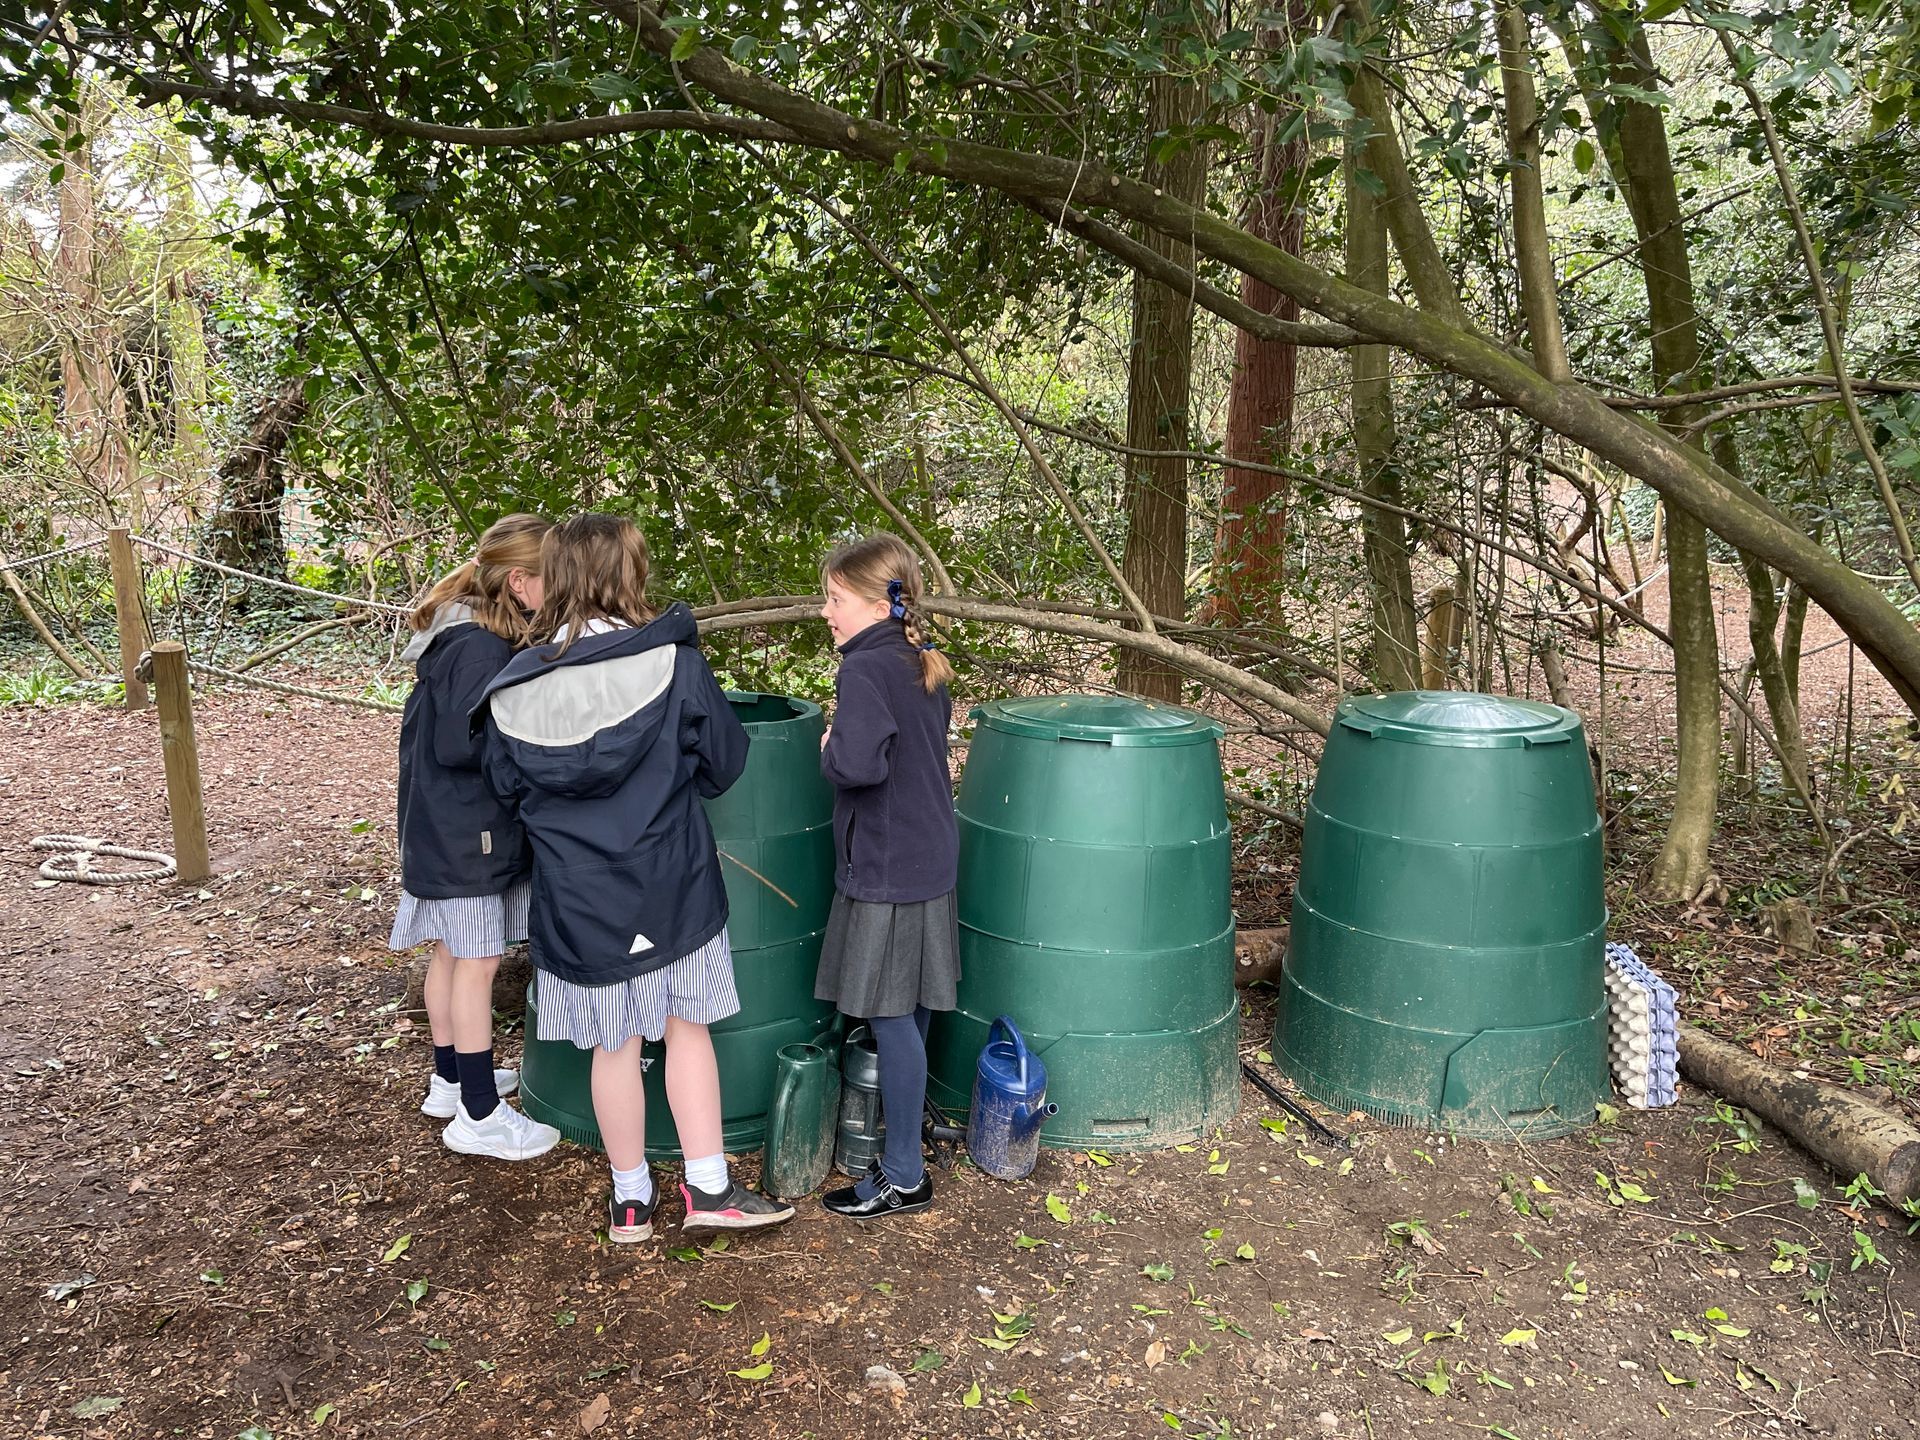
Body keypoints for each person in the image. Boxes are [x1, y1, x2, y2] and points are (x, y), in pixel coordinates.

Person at [478, 513, 794, 1241]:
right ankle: (708, 1188)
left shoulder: (511, 690)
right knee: (688, 1033)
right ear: (627, 576)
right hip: (672, 884)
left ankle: (629, 1202)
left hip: (576, 900)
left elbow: (506, 790)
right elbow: (724, 762)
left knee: (610, 1048)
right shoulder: (673, 664)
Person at [391, 513, 562, 1162]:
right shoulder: (479, 647)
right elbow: (460, 745)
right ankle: (481, 1116)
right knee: (478, 962)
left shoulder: (463, 628)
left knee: (452, 954)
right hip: (468, 831)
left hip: (441, 826)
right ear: (519, 581)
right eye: (555, 580)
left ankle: (452, 1078)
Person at [814, 533, 959, 1219]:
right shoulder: (920, 660)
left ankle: (905, 1176)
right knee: (915, 1016)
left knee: (890, 1016)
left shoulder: (864, 671)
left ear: (877, 605)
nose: (825, 611)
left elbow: (861, 767)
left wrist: (830, 747)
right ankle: (902, 1160)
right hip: (929, 856)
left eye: (836, 599)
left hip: (888, 863)